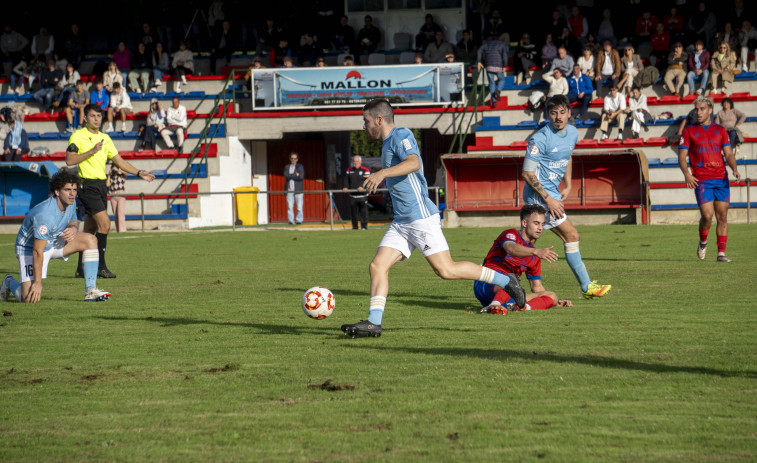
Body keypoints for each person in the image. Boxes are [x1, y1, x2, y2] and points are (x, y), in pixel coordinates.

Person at [340, 99, 526, 338]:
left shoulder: (401, 134)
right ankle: (373, 323)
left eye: (366, 121)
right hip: (402, 222)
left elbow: (414, 162)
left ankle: (504, 279)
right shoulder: (387, 144)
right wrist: (380, 176)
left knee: (446, 270)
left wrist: (383, 173)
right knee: (377, 265)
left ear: (379, 119)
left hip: (420, 219)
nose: (363, 126)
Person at [522, 94, 611, 299]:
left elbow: (567, 156)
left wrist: (569, 184)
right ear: (547, 115)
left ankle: (506, 277)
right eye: (553, 113)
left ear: (569, 113)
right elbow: (527, 173)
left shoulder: (572, 132)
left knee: (530, 243)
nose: (558, 117)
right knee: (566, 236)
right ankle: (586, 287)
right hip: (539, 198)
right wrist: (548, 199)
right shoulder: (540, 138)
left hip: (552, 194)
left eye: (562, 112)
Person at [65, 103, 156, 279]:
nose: (97, 119)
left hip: (100, 186)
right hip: (86, 185)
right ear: (85, 118)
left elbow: (119, 161)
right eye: (92, 116)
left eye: (99, 116)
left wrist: (139, 172)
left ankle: (80, 269)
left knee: (90, 228)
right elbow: (70, 160)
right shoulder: (78, 135)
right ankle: (101, 267)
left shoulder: (105, 138)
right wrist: (92, 151)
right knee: (105, 224)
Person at [0, 169, 111, 304]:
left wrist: (73, 228)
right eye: (67, 189)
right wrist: (38, 283)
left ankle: (91, 291)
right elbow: (37, 251)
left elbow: (73, 221)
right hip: (30, 249)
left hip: (53, 241)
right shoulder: (45, 215)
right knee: (28, 299)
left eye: (74, 189)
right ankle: (9, 281)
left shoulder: (71, 202)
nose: (72, 193)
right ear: (57, 192)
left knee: (91, 240)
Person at [475, 204, 573, 314]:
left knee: (552, 296)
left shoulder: (535, 256)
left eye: (542, 224)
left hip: (509, 292)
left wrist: (554, 302)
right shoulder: (510, 234)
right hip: (486, 283)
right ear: (524, 223)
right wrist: (535, 251)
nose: (540, 228)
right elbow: (510, 248)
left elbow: (536, 287)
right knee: (510, 282)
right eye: (536, 223)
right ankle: (494, 306)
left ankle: (521, 307)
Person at [678, 96, 741, 262]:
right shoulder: (689, 131)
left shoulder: (720, 131)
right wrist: (687, 174)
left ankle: (721, 253)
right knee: (707, 215)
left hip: (721, 178)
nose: (698, 112)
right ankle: (703, 242)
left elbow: (728, 153)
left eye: (702, 109)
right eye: (697, 109)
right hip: (702, 179)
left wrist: (734, 168)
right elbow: (682, 156)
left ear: (710, 110)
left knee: (722, 216)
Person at [476, 32, 508, 108]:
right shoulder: (502, 43)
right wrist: (504, 65)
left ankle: (494, 101)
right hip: (498, 66)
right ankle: (498, 91)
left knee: (491, 83)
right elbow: (505, 56)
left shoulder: (486, 43)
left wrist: (479, 61)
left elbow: (479, 51)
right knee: (501, 80)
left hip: (489, 66)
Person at [342, 155, 370, 230]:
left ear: (360, 162)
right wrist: (345, 187)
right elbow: (346, 180)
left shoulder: (365, 170)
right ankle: (355, 227)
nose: (356, 163)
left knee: (363, 213)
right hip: (353, 196)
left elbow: (368, 181)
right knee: (354, 213)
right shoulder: (349, 170)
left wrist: (362, 187)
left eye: (357, 161)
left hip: (362, 196)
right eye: (354, 161)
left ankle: (364, 227)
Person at [284, 151, 305, 225]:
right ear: (290, 159)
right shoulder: (287, 167)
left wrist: (291, 175)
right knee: (290, 206)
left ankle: (299, 220)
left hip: (298, 190)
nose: (293, 160)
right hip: (289, 190)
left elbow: (301, 177)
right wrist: (295, 175)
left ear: (297, 159)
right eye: (292, 158)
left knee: (299, 207)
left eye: (295, 158)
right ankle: (291, 220)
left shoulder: (300, 167)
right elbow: (286, 176)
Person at [108, 163, 127, 233]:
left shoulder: (121, 175)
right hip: (113, 195)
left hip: (121, 194)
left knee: (120, 213)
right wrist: (109, 175)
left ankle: (122, 230)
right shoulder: (111, 177)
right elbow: (107, 184)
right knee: (115, 214)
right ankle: (118, 230)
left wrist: (119, 170)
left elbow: (126, 174)